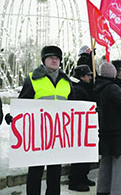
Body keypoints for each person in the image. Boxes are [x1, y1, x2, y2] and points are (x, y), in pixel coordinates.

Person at [15, 45, 73, 195]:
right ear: (44, 60)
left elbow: (74, 106)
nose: (55, 60)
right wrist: (14, 117)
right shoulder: (33, 78)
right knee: (35, 172)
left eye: (57, 58)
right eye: (51, 57)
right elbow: (23, 103)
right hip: (38, 135)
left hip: (58, 135)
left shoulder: (66, 81)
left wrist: (89, 113)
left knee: (55, 173)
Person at [94, 62, 121, 195]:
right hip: (118, 131)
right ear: (113, 73)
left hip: (106, 131)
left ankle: (103, 190)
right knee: (119, 163)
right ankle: (117, 192)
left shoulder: (99, 87)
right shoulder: (113, 88)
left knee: (106, 162)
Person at [68, 65, 95, 192]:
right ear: (81, 76)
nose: (90, 77)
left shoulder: (84, 87)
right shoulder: (77, 89)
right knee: (78, 154)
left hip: (85, 126)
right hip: (78, 127)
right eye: (88, 75)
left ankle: (83, 176)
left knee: (85, 153)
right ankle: (74, 180)